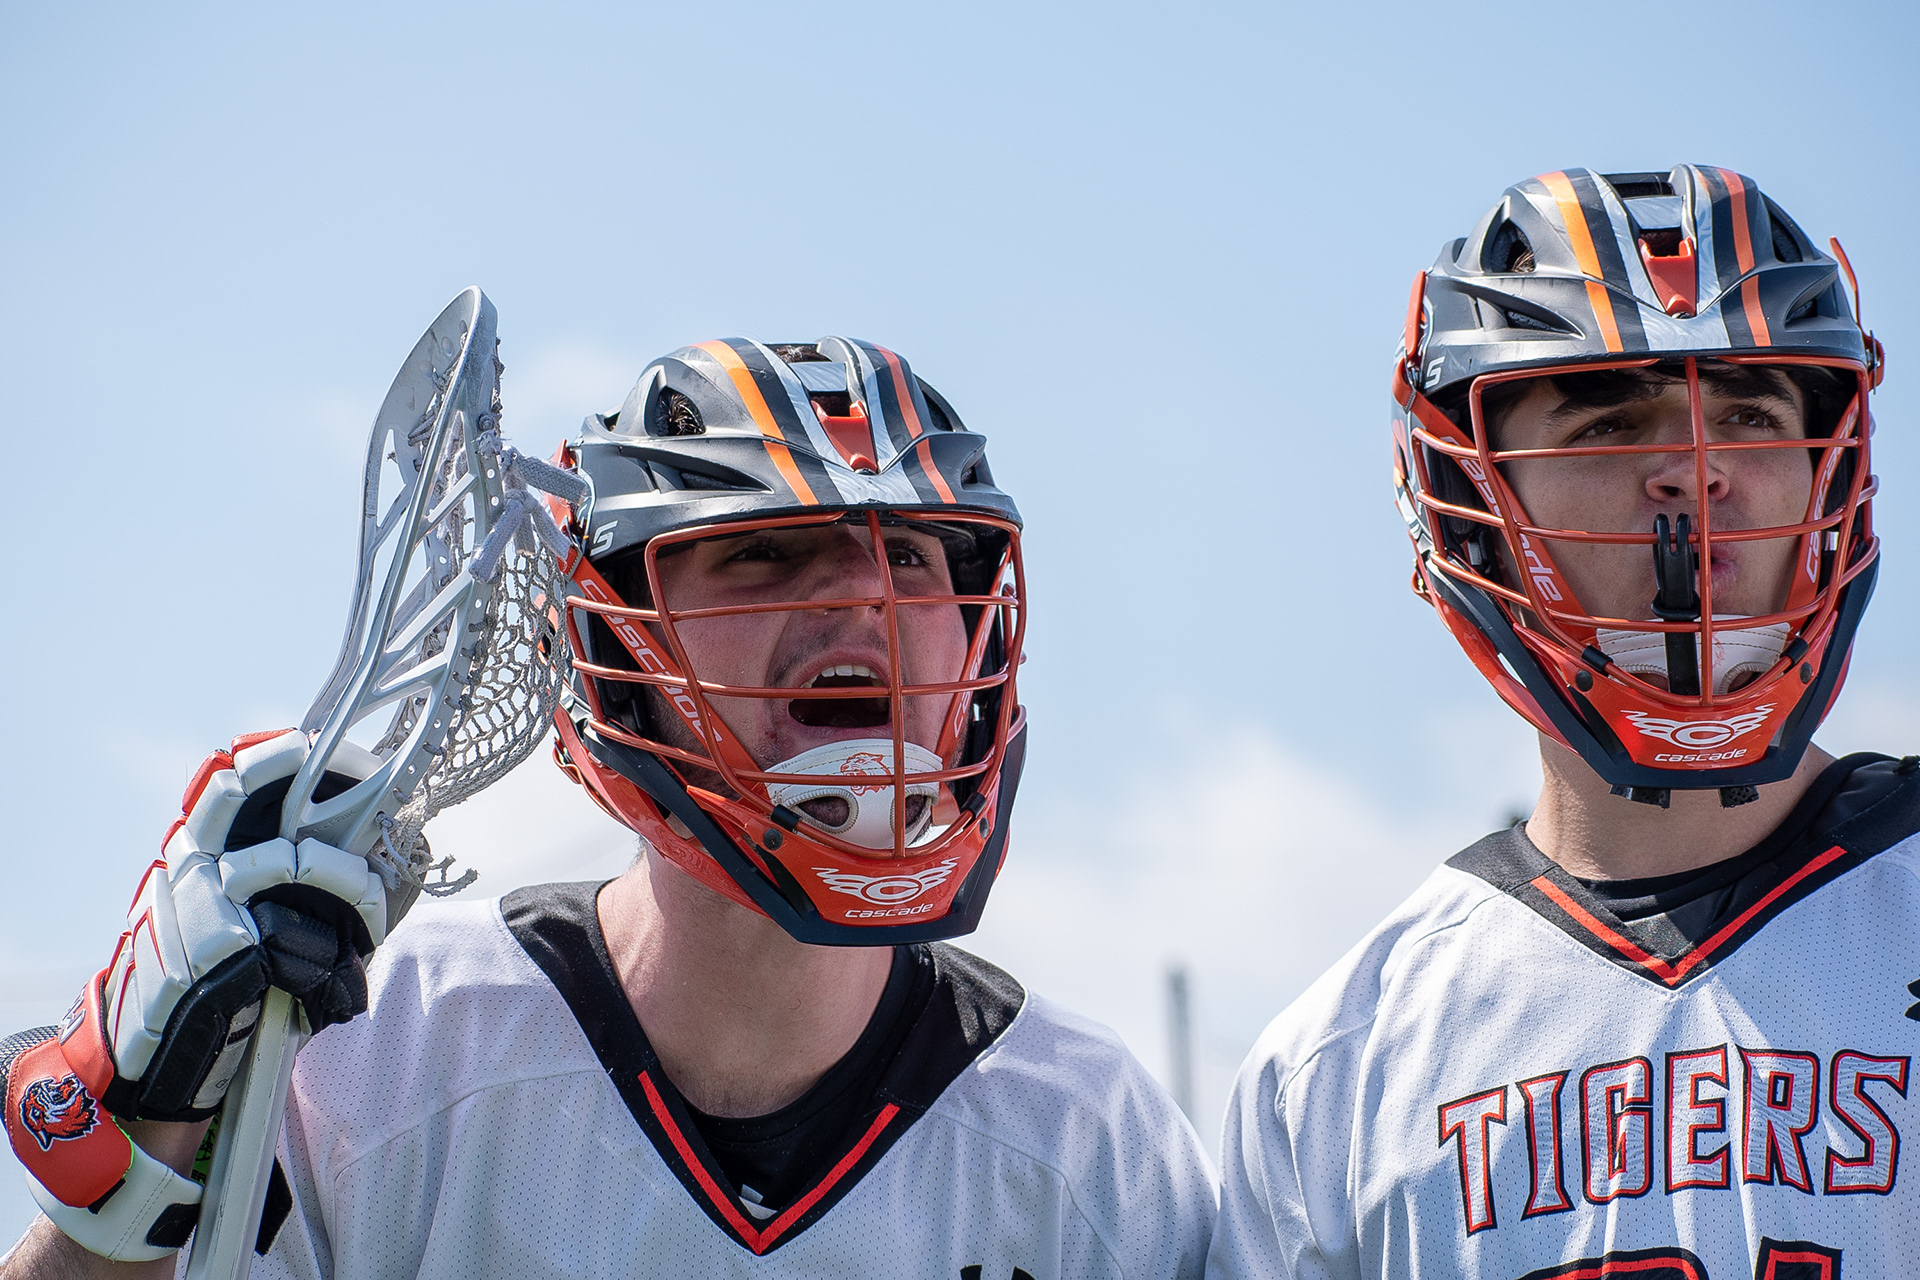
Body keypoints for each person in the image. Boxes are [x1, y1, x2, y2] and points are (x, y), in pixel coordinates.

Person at [3, 336, 1215, 1277]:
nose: (865, 598)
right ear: (605, 640)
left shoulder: (1095, 1151)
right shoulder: (390, 1057)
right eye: (763, 550)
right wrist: (133, 1151)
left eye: (913, 556)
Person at [1208, 166, 1914, 1278]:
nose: (1696, 470)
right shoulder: (1337, 1071)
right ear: (1477, 503)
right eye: (1610, 420)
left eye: (1749, 411)